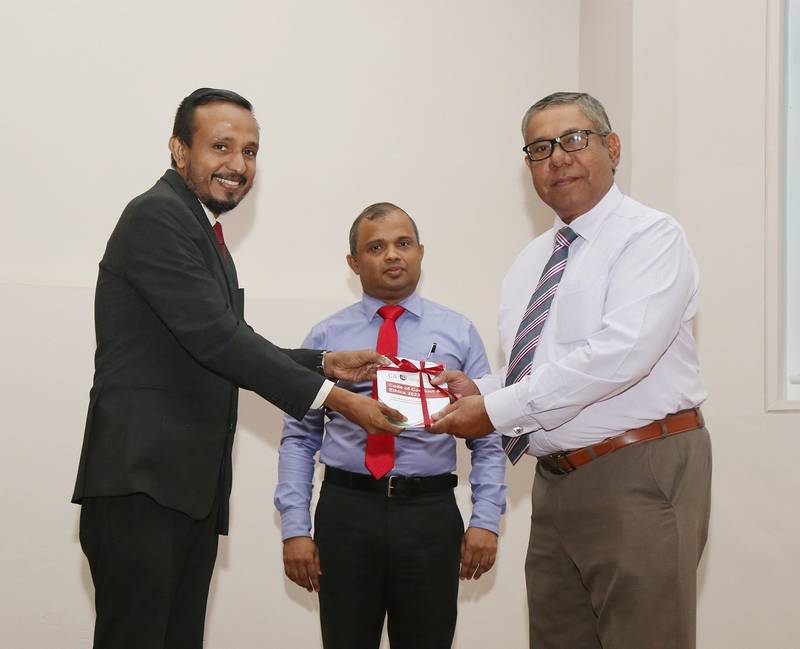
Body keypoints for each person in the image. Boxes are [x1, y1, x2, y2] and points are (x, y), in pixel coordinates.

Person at [71, 88, 404, 649]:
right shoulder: (157, 215)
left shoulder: (202, 231)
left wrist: (325, 362)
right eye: (220, 147)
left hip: (182, 489)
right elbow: (217, 339)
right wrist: (336, 398)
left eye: (250, 151)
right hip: (141, 484)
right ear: (179, 150)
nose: (238, 165)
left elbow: (222, 340)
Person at [429, 92, 711, 649]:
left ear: (612, 147)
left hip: (638, 468)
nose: (557, 158)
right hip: (555, 483)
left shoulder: (650, 236)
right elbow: (536, 367)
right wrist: (479, 388)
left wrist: (494, 408)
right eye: (538, 148)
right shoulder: (532, 259)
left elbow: (619, 355)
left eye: (573, 139)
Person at [274, 203, 507, 649]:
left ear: (420, 251)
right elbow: (299, 439)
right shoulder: (326, 339)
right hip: (346, 513)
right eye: (376, 247)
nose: (392, 256)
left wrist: (486, 520)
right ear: (354, 263)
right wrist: (295, 529)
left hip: (430, 516)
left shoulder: (459, 333)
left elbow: (488, 436)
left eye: (403, 244)